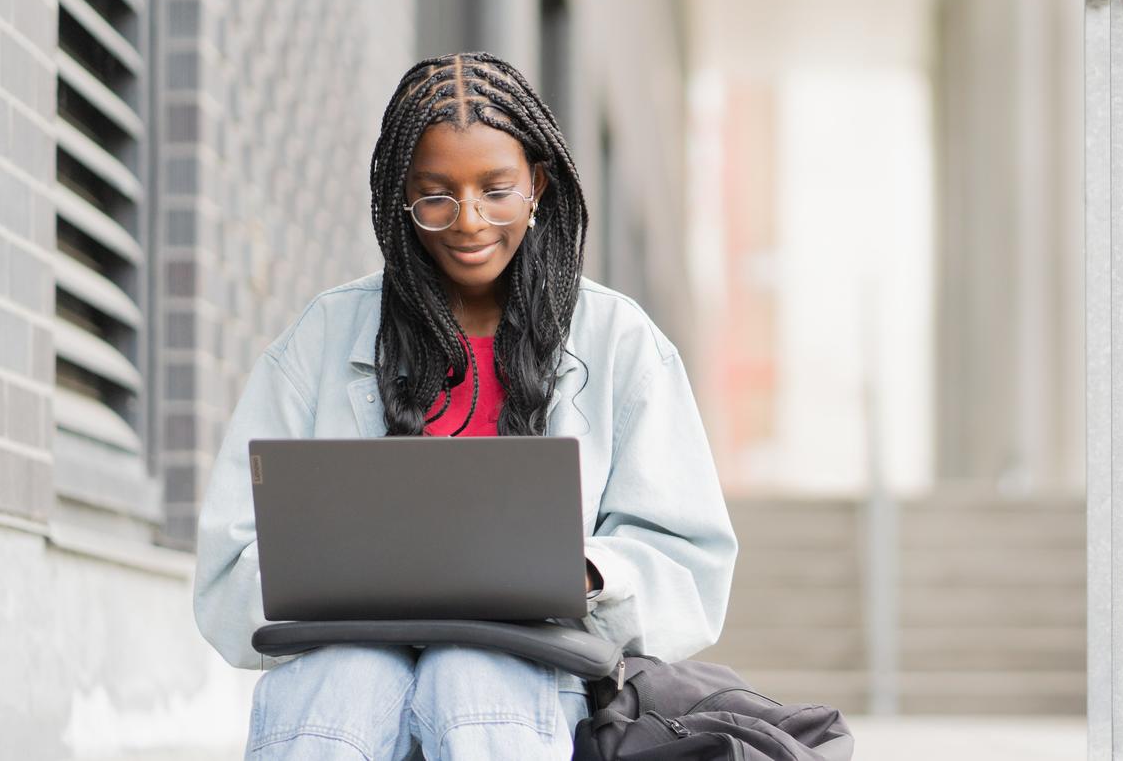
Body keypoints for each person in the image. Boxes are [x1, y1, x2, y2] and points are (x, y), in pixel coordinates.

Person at [192, 52, 738, 760]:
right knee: (349, 681)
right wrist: (324, 580)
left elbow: (688, 563)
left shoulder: (620, 341)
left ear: (537, 184)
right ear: (400, 196)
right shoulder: (324, 337)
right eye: (436, 195)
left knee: (469, 673)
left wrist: (587, 573)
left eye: (496, 189)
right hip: (347, 663)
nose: (469, 221)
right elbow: (229, 569)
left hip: (523, 678)